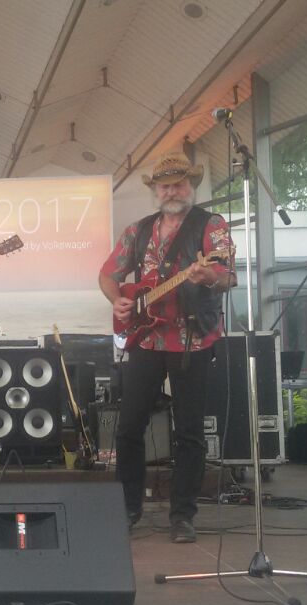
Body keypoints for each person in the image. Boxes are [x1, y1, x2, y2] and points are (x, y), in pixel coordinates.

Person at [98, 152, 236, 543]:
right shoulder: (138, 231)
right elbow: (107, 275)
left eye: (179, 184)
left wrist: (207, 275)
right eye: (165, 186)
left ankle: (183, 516)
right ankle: (128, 509)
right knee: (129, 427)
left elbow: (227, 277)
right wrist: (117, 300)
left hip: (193, 337)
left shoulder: (211, 225)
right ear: (156, 191)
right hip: (146, 337)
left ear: (191, 186)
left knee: (189, 431)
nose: (172, 191)